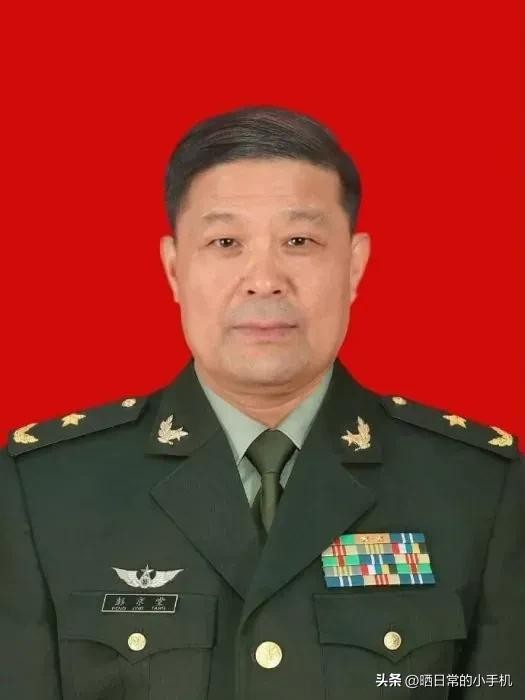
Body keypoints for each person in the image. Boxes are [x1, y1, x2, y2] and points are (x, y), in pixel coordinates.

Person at [1, 105, 523, 700]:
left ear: (354, 266)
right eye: (226, 242)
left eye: (299, 241)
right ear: (174, 269)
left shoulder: (479, 489)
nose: (264, 279)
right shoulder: (44, 490)